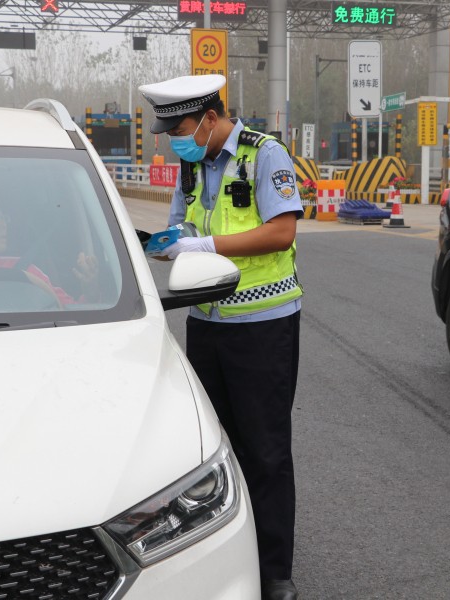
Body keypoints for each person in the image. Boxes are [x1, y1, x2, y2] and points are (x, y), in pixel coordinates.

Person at [140, 74, 303, 600]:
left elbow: (282, 230)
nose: (175, 139)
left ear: (210, 119)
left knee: (266, 452)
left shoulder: (264, 155)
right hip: (205, 324)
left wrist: (206, 243)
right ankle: (221, 558)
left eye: (182, 128)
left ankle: (274, 572)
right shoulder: (190, 167)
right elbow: (181, 228)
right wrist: (172, 244)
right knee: (212, 452)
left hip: (263, 328)